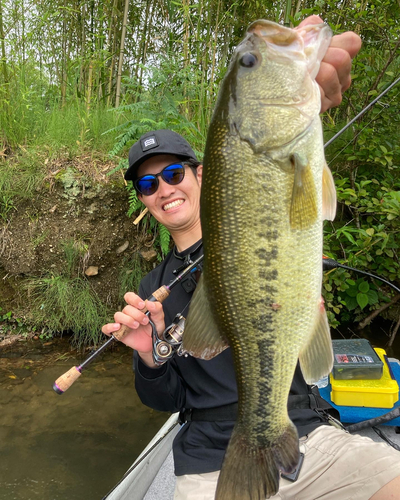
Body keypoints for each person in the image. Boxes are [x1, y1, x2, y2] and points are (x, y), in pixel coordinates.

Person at [102, 16, 400, 500]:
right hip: (207, 456)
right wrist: (149, 359)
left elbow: (301, 196)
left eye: (173, 173)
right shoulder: (154, 285)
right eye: (148, 184)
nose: (164, 189)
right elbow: (168, 399)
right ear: (144, 200)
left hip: (307, 430)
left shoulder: (258, 199)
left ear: (203, 174)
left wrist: (309, 96)